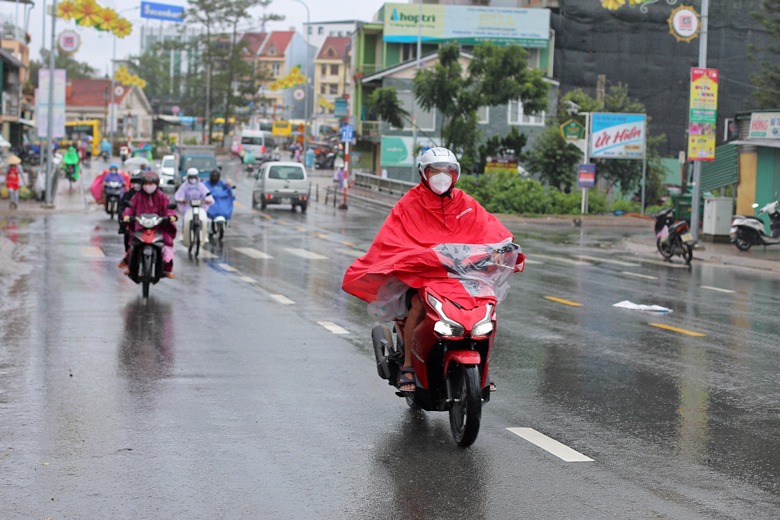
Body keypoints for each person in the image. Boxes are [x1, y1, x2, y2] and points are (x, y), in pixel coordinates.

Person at [342, 148, 515, 392]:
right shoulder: (409, 203)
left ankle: (484, 367)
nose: (441, 176)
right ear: (424, 173)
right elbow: (393, 237)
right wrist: (413, 256)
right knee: (419, 307)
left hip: (461, 275)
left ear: (456, 174)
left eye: (448, 171)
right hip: (423, 274)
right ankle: (409, 367)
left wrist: (498, 248)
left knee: (485, 310)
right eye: (435, 170)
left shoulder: (465, 203)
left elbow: (489, 227)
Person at [122, 172, 177, 278]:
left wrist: (171, 216)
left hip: (159, 227)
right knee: (132, 243)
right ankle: (130, 266)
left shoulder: (162, 196)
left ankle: (167, 268)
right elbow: (130, 207)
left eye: (151, 183)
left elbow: (168, 208)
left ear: (156, 184)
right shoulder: (137, 196)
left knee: (166, 244)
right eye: (146, 183)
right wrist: (127, 215)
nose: (148, 186)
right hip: (140, 226)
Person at [117, 174, 144, 268]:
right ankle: (128, 256)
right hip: (133, 222)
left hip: (147, 222)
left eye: (139, 182)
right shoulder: (128, 195)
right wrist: (124, 217)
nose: (137, 184)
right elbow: (122, 208)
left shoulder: (149, 194)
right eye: (135, 182)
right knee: (127, 234)